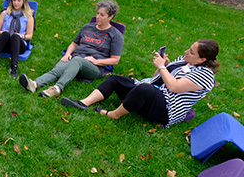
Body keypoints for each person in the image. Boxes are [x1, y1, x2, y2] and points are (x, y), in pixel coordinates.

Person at [60, 39, 219, 128]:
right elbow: (157, 77)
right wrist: (163, 66)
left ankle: (113, 115)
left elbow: (174, 87)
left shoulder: (204, 75)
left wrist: (163, 66)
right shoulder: (185, 61)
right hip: (153, 92)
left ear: (202, 59)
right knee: (115, 79)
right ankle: (83, 103)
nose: (186, 52)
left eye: (191, 52)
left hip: (165, 109)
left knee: (144, 89)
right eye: (188, 48)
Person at [19, 0, 124, 97]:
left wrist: (96, 61)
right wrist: (68, 54)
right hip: (75, 58)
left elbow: (115, 60)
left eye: (102, 15)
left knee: (77, 60)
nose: (98, 17)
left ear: (110, 17)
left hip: (94, 67)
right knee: (57, 70)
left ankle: (58, 88)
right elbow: (74, 44)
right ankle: (34, 84)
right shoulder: (88, 27)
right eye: (97, 13)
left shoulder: (115, 35)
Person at [0, 0, 34, 78]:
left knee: (15, 37)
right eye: (14, 0)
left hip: (18, 45)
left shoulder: (28, 16)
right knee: (6, 34)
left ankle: (13, 67)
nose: (16, 3)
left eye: (19, 0)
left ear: (23, 1)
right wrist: (3, 33)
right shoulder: (4, 13)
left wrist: (21, 36)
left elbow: (29, 36)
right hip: (3, 43)